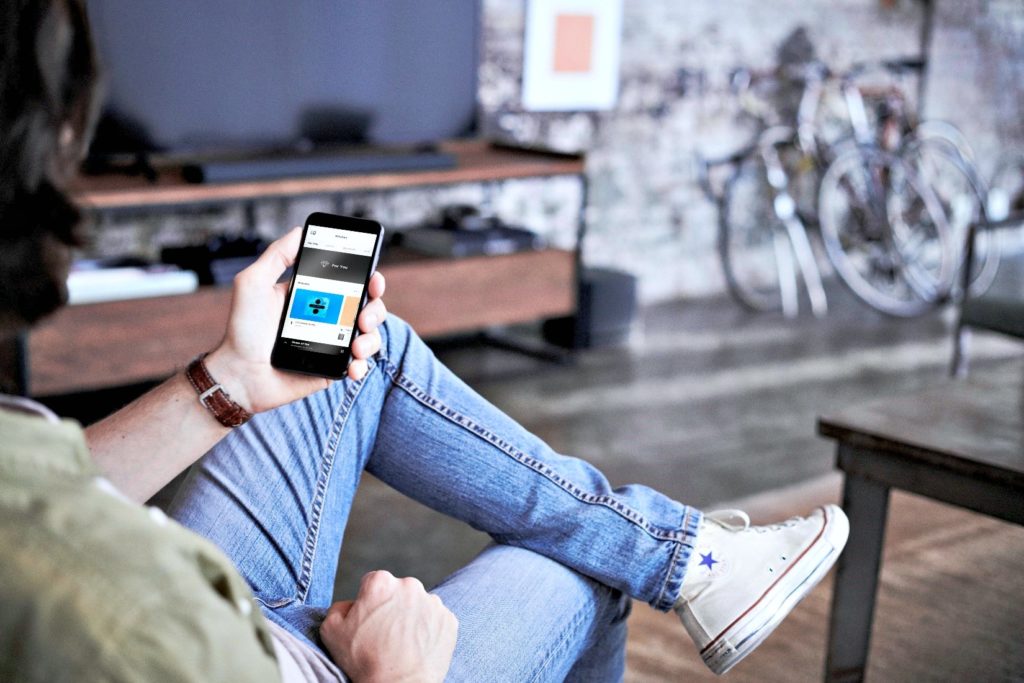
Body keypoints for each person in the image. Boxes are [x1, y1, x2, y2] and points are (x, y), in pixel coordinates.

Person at [0, 1, 849, 680]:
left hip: (204, 592)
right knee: (582, 566)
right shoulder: (120, 631)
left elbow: (40, 488)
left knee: (360, 363)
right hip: (245, 646)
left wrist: (224, 381)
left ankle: (680, 553)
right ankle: (681, 560)